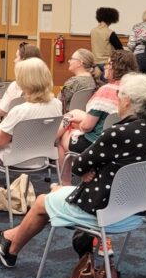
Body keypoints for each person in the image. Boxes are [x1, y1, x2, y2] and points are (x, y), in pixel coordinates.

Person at [0, 73, 146, 267]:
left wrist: (93, 168)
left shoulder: (118, 133)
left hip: (104, 211)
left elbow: (78, 166)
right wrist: (97, 168)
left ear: (128, 101)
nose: (117, 101)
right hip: (134, 211)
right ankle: (9, 236)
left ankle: (10, 249)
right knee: (56, 194)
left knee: (41, 202)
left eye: (119, 96)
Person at [0, 58, 62, 213]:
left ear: (25, 82)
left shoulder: (20, 110)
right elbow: (34, 132)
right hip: (41, 158)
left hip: (14, 158)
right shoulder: (56, 104)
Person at [55, 49, 138, 181]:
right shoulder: (134, 90)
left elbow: (87, 127)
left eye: (108, 63)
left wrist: (79, 125)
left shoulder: (106, 90)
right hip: (123, 144)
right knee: (74, 114)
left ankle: (65, 182)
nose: (105, 66)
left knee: (62, 138)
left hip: (98, 144)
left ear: (116, 68)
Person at [0, 41, 44, 121]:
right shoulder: (46, 89)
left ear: (24, 61)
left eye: (16, 57)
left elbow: (1, 112)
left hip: (12, 125)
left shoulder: (16, 86)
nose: (14, 60)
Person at [59, 48, 100, 113]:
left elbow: (59, 103)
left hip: (69, 117)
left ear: (80, 63)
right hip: (84, 116)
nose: (69, 61)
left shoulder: (74, 82)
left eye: (72, 59)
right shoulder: (93, 80)